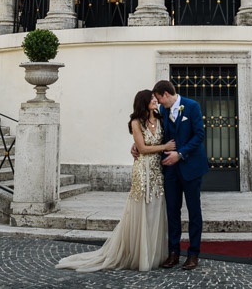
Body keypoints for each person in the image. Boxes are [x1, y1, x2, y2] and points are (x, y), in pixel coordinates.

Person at [55, 89, 175, 273]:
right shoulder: (136, 123)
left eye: (155, 98)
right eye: (151, 98)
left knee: (155, 209)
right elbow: (142, 148)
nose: (155, 100)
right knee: (141, 208)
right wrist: (163, 147)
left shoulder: (160, 119)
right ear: (143, 102)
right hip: (142, 170)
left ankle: (153, 254)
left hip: (158, 171)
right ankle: (138, 254)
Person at [152, 79, 209, 271]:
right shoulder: (164, 111)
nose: (160, 103)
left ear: (166, 94)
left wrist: (181, 154)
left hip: (191, 167)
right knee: (172, 211)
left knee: (194, 212)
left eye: (160, 99)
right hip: (171, 171)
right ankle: (174, 253)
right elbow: (157, 133)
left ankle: (193, 254)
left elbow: (199, 135)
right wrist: (138, 145)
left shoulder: (192, 106)